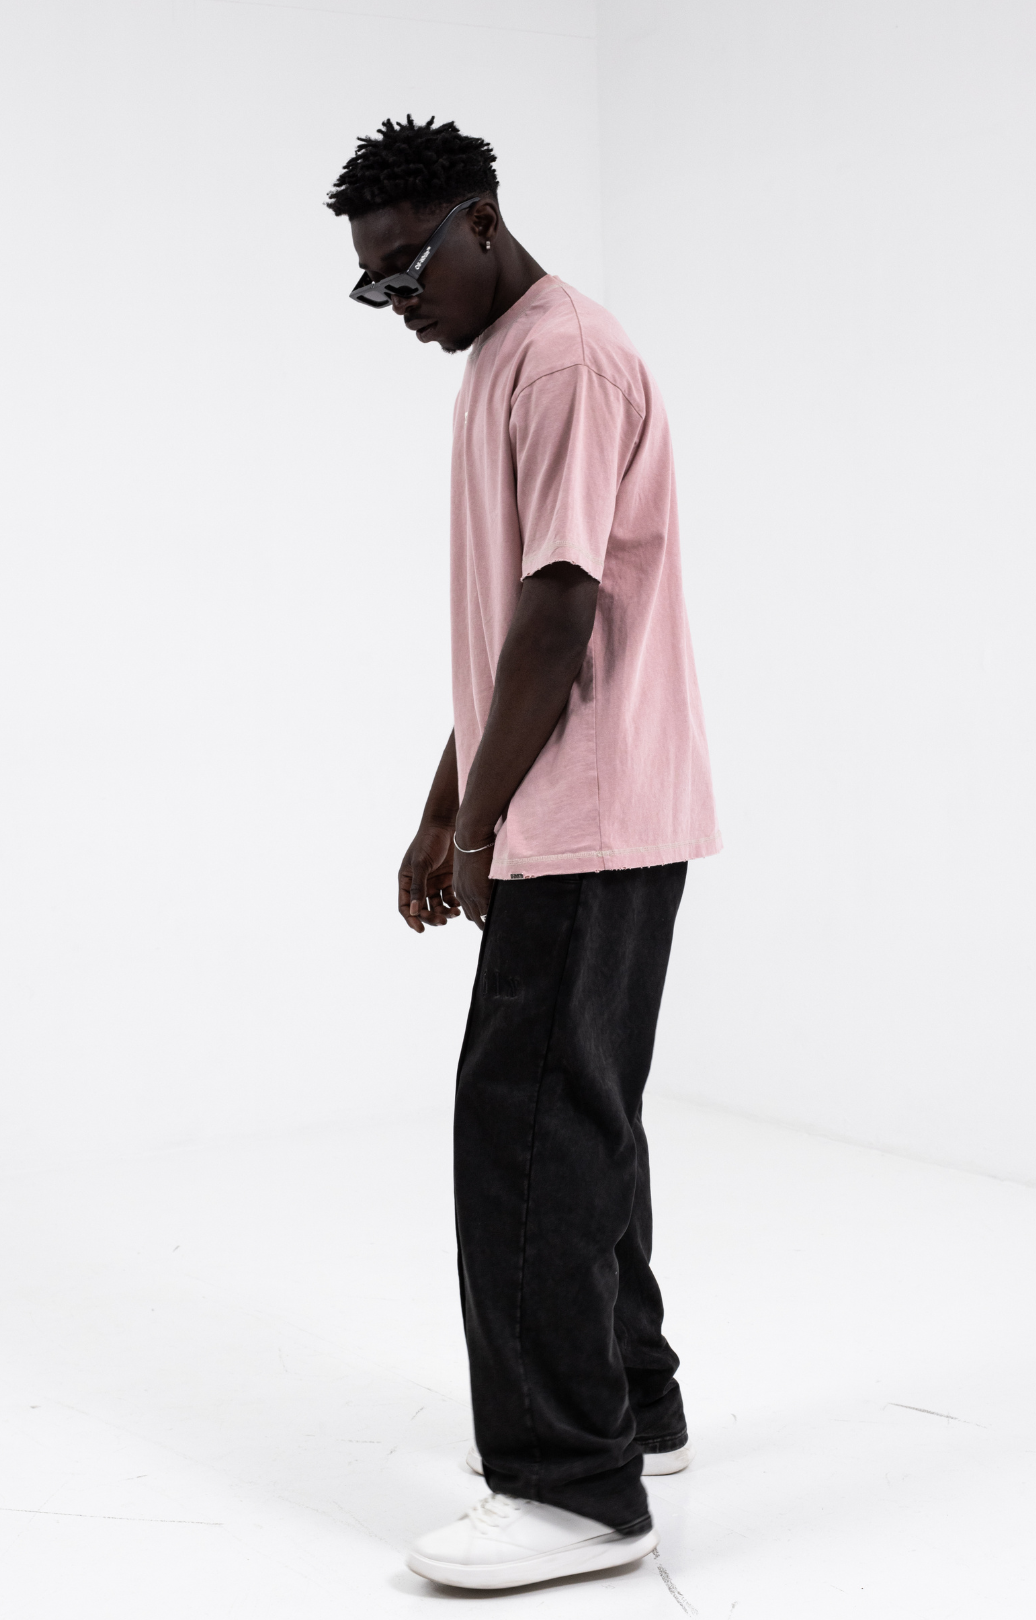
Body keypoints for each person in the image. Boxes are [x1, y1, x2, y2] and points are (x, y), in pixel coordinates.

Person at [326, 115, 720, 1592]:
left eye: (409, 268)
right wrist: (446, 803)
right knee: (581, 1117)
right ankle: (636, 1410)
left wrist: (484, 822)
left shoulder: (559, 360)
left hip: (588, 810)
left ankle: (569, 1486)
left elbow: (559, 613)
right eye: (371, 283)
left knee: (527, 1134)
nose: (396, 302)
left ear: (483, 221)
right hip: (582, 800)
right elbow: (513, 628)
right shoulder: (505, 355)